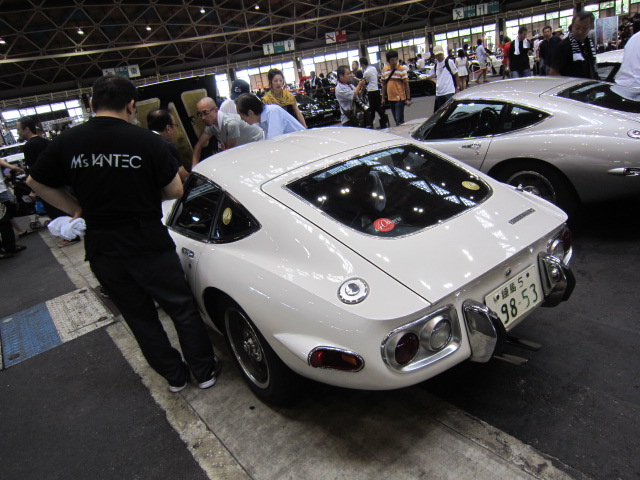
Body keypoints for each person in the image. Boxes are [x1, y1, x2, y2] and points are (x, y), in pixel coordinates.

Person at [26, 75, 221, 393]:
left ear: (92, 104)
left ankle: (174, 377)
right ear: (131, 106)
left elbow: (35, 182)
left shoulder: (68, 141)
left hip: (103, 247)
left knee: (140, 317)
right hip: (147, 241)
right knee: (180, 307)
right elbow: (175, 190)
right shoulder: (148, 142)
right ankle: (204, 371)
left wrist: (77, 208)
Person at [191, 97, 263, 167]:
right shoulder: (211, 125)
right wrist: (194, 168)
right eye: (199, 114)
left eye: (206, 113)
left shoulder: (231, 124)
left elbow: (230, 152)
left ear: (216, 110)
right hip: (243, 148)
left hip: (258, 144)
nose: (203, 118)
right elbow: (198, 146)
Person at [235, 93, 305, 140]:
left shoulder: (272, 112)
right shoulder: (262, 120)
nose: (241, 119)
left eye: (241, 115)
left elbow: (274, 141)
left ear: (250, 113)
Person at [550, 12, 598, 79]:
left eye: (584, 28)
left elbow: (592, 69)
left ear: (591, 27)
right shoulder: (564, 46)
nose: (580, 32)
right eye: (577, 28)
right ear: (572, 26)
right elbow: (554, 72)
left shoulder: (589, 44)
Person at [146, 109, 188, 182]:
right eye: (175, 125)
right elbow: (184, 177)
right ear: (168, 128)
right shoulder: (166, 145)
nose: (176, 130)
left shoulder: (145, 141)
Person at [0, 157, 27, 259]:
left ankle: (10, 246)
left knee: (6, 219)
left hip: (1, 190)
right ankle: (7, 247)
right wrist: (16, 168)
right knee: (4, 219)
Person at [381, 49, 411, 126]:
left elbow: (406, 84)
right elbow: (383, 85)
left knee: (399, 120)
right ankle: (403, 130)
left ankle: (401, 131)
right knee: (397, 119)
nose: (394, 62)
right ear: (388, 61)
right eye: (392, 60)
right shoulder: (384, 70)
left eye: (396, 59)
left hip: (400, 98)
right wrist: (383, 98)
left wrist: (408, 98)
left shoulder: (402, 69)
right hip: (390, 98)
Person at [427, 46, 459, 112]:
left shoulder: (449, 62)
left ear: (443, 53)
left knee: (449, 111)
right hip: (439, 93)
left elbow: (456, 74)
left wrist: (457, 88)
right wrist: (435, 82)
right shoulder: (435, 66)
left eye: (440, 54)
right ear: (435, 56)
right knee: (440, 112)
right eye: (437, 55)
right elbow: (428, 76)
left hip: (449, 91)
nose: (439, 57)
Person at [360, 56, 388, 129]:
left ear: (362, 64)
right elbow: (376, 77)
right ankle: (373, 124)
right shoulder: (373, 68)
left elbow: (363, 83)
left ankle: (381, 123)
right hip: (376, 90)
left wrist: (361, 91)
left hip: (371, 92)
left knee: (376, 108)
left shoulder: (366, 72)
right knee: (373, 109)